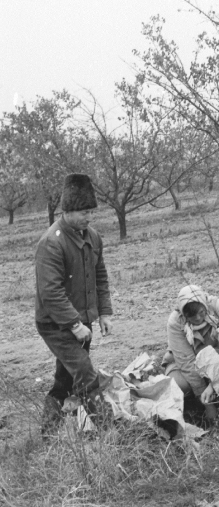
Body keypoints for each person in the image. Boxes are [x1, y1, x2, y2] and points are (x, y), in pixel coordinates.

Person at [35, 173, 113, 437]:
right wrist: (75, 324)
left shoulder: (92, 237)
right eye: (83, 211)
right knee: (86, 373)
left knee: (65, 380)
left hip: (81, 320)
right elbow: (51, 293)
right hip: (55, 323)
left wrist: (103, 312)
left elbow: (99, 275)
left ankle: (47, 435)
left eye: (90, 211)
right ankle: (111, 434)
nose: (88, 217)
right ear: (67, 210)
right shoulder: (52, 242)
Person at [163, 285, 219, 420]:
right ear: (183, 313)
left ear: (205, 305)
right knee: (179, 384)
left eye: (201, 312)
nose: (198, 318)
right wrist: (207, 404)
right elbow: (186, 362)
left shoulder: (215, 305)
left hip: (216, 356)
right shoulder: (175, 322)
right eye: (191, 316)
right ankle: (193, 406)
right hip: (185, 362)